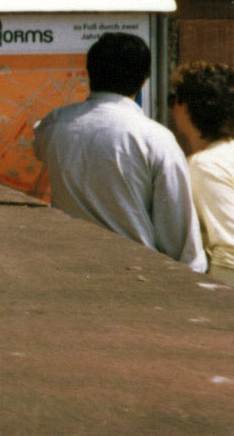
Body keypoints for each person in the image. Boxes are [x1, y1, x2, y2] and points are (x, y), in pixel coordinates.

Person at [33, 32, 205, 272]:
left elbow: (38, 143)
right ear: (143, 81)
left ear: (90, 74)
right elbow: (179, 236)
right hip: (136, 275)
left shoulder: (55, 125)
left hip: (68, 268)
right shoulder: (156, 139)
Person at [170, 62, 234, 294]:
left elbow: (232, 249)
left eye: (173, 99)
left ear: (186, 107)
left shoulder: (206, 165)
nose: (172, 107)